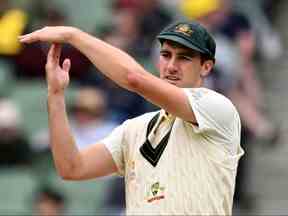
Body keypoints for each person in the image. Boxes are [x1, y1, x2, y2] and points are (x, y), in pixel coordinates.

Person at [19, 20, 244, 215]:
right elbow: (71, 168)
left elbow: (133, 78)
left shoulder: (217, 107)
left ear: (206, 67)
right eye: (166, 55)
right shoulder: (135, 128)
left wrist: (73, 35)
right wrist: (56, 95)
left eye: (184, 58)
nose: (172, 66)